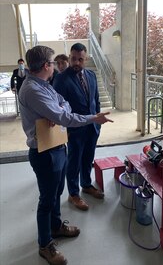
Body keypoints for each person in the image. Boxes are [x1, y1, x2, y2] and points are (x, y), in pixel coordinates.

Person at [18, 45, 113, 265]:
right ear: (45, 66)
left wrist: (59, 113)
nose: (55, 66)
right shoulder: (33, 89)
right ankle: (45, 245)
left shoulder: (43, 85)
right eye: (52, 62)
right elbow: (66, 117)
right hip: (45, 152)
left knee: (57, 193)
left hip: (56, 146)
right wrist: (91, 118)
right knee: (46, 200)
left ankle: (56, 227)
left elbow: (64, 105)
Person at [53, 43, 107, 212]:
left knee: (88, 158)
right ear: (69, 57)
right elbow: (58, 107)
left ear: (86, 59)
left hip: (92, 128)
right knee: (73, 162)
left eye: (80, 59)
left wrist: (98, 118)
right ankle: (74, 194)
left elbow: (95, 100)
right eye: (73, 59)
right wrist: (65, 131)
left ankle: (86, 185)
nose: (76, 62)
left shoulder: (91, 75)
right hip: (74, 130)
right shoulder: (61, 79)